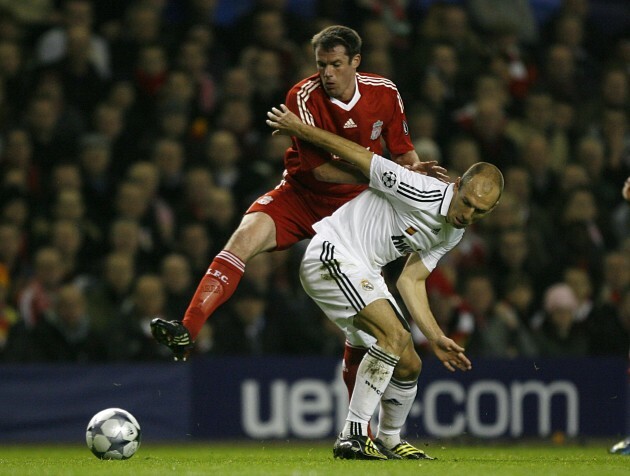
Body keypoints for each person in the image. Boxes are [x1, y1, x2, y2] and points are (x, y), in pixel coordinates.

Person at [150, 25, 445, 394]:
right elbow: (321, 170)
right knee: (241, 240)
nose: (327, 74)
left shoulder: (384, 92)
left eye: (336, 65)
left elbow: (403, 151)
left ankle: (360, 423)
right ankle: (188, 329)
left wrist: (410, 175)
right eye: (321, 65)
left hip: (355, 214)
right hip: (301, 196)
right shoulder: (302, 96)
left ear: (356, 61)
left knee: (362, 325)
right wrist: (383, 174)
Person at [265, 104, 502, 459]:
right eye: (466, 202)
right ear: (456, 185)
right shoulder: (418, 188)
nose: (467, 214)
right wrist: (299, 129)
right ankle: (353, 434)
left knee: (409, 363)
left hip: (363, 271)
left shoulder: (453, 231)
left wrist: (435, 336)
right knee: (394, 336)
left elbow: (411, 280)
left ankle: (390, 439)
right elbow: (357, 155)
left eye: (479, 211)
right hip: (332, 254)